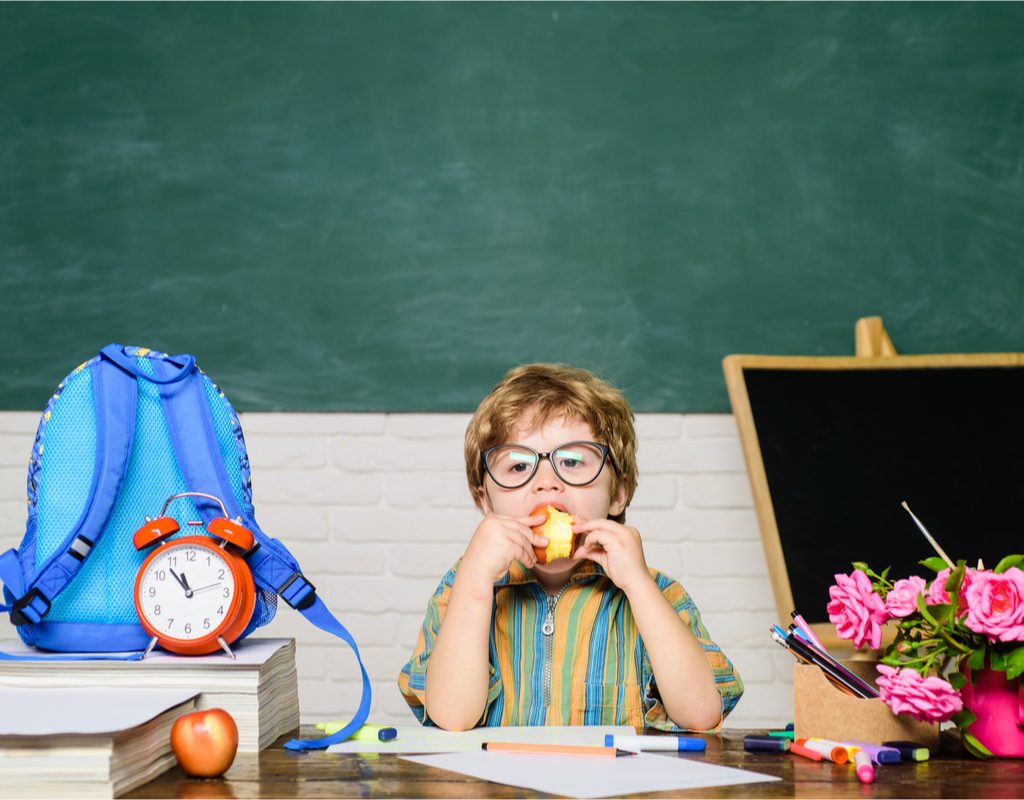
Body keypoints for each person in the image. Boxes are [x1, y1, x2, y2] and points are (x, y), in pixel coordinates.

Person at [398, 364, 743, 731]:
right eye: (518, 467)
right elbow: (451, 717)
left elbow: (701, 715)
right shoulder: (460, 590)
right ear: (485, 500)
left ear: (618, 493)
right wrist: (474, 584)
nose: (546, 482)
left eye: (573, 461)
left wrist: (639, 586)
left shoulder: (657, 594)